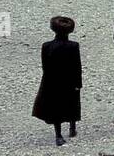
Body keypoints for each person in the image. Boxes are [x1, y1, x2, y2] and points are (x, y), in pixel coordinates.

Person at [31, 16, 82, 147]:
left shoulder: (46, 46)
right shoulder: (74, 46)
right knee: (72, 103)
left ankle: (58, 135)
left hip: (52, 81)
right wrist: (78, 83)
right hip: (70, 81)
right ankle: (72, 128)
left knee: (56, 109)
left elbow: (45, 66)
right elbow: (77, 66)